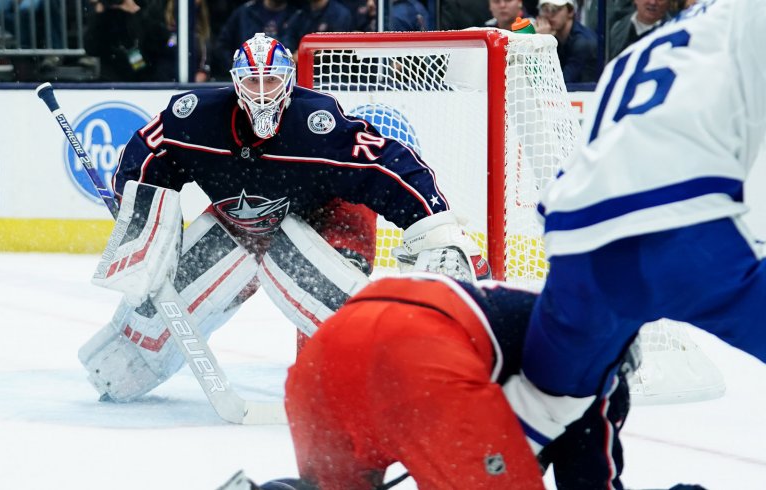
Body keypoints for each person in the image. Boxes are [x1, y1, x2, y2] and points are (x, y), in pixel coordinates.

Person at [504, 1, 766, 489]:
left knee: (544, 405)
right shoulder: (749, 15)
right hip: (681, 222)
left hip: (576, 240)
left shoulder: (637, 52)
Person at [79, 33, 489, 404]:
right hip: (242, 223)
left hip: (331, 221)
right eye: (253, 82)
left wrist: (433, 223)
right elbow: (150, 158)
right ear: (236, 83)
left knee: (324, 352)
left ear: (289, 81)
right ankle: (135, 355)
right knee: (127, 358)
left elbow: (387, 165)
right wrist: (138, 213)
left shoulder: (317, 124)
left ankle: (401, 368)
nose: (261, 93)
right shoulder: (196, 118)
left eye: (271, 81)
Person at [220, 273, 639, 490]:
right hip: (418, 363)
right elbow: (590, 471)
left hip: (322, 363)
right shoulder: (592, 360)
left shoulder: (518, 308)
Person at [534, 0, 598, 83]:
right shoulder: (555, 37)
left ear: (570, 11)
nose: (549, 15)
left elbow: (561, 84)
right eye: (545, 9)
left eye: (555, 9)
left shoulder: (583, 43)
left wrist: (543, 43)